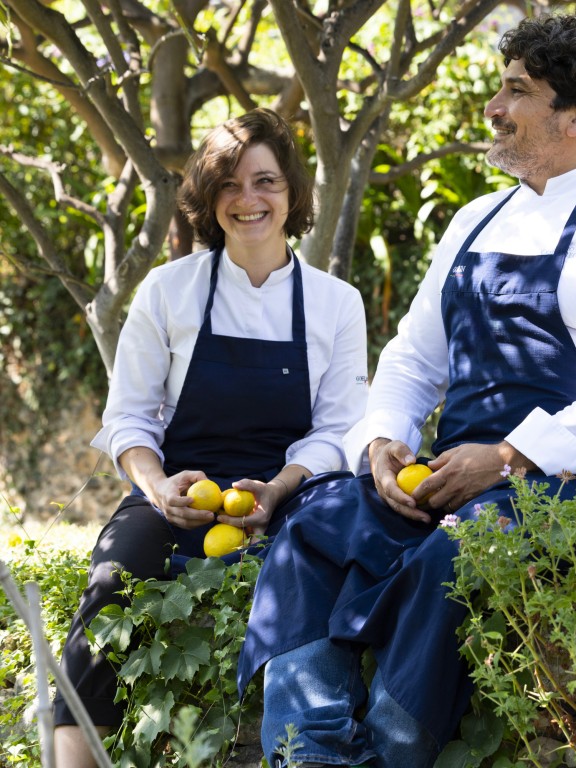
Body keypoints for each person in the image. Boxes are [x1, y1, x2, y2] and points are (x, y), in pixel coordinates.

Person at [237, 14, 576, 768]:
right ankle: (310, 752)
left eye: (516, 90)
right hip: (459, 471)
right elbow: (411, 357)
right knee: (313, 521)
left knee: (455, 558)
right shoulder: (474, 221)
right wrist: (383, 442)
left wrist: (511, 456)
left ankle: (392, 756)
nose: (493, 105)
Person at [52, 108, 369, 767]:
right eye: (227, 183)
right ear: (207, 196)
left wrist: (279, 490)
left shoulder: (337, 302)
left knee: (333, 576)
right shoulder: (169, 290)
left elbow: (338, 428)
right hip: (178, 486)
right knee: (112, 579)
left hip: (294, 493)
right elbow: (130, 418)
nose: (247, 200)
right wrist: (157, 486)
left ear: (292, 192)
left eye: (265, 181)